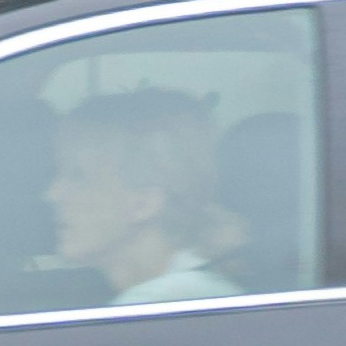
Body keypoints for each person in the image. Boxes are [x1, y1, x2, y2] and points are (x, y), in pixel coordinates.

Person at [43, 88, 251, 304]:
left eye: (78, 176)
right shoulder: (185, 292)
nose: (52, 194)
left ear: (143, 203)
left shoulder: (160, 304)